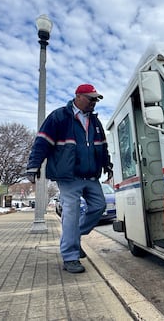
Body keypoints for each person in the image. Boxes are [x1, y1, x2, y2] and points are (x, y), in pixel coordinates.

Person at [26, 83, 113, 273]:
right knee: (71, 214)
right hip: (68, 176)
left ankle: (74, 237)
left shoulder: (95, 122)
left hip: (91, 175)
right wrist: (33, 165)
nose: (94, 103)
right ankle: (70, 257)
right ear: (79, 97)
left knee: (99, 206)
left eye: (96, 99)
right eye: (91, 99)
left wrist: (107, 164)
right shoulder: (59, 117)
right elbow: (42, 142)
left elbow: (102, 146)